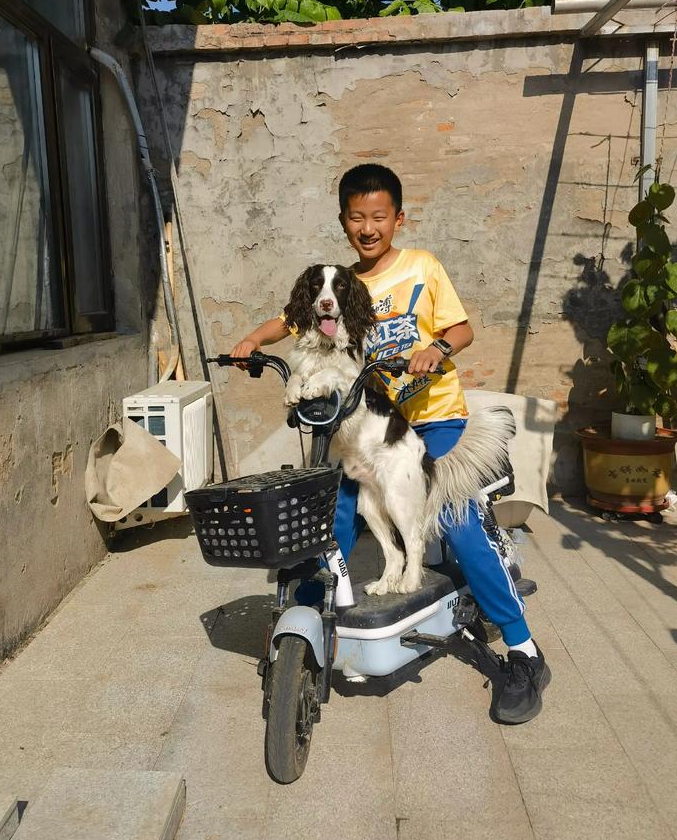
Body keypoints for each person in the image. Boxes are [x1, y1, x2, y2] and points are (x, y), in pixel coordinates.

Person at [232, 163, 550, 723]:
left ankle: (524, 651)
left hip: (434, 418)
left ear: (397, 219)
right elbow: (289, 320)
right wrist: (254, 339)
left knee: (460, 525)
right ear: (344, 222)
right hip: (368, 427)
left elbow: (462, 330)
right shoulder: (341, 286)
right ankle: (304, 639)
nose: (368, 227)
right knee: (331, 517)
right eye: (357, 217)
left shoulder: (422, 267)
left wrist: (438, 351)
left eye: (379, 216)